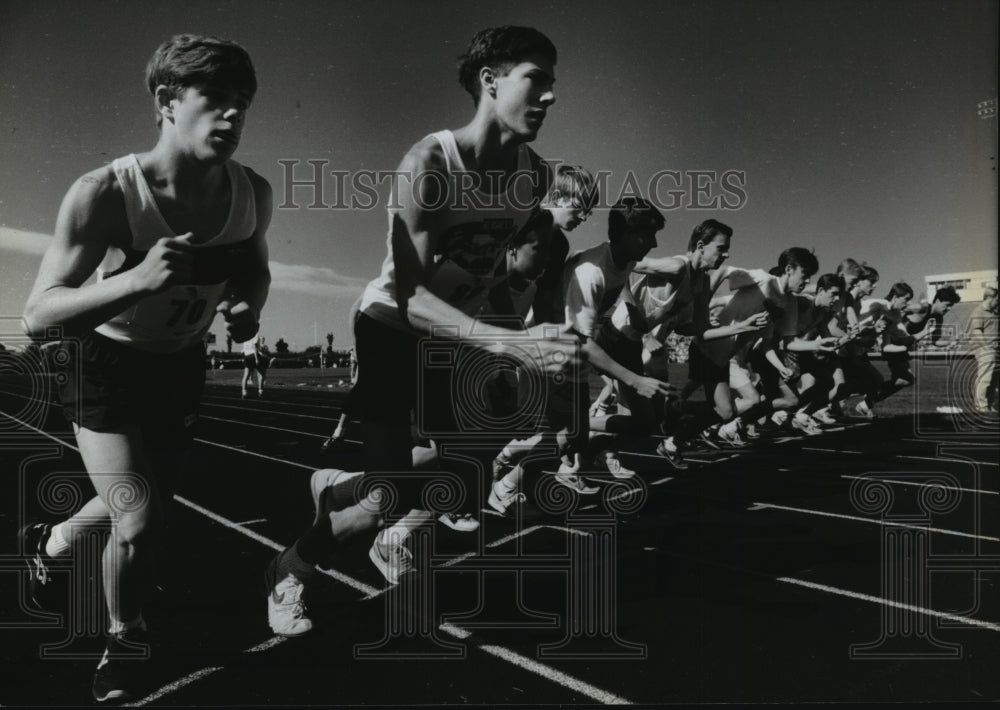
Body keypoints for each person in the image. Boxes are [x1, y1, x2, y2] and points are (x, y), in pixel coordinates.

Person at [265, 26, 580, 637]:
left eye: (552, 83)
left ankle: (342, 485)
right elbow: (411, 294)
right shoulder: (431, 163)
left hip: (454, 334)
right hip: (391, 325)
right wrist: (506, 344)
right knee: (390, 499)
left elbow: (484, 271)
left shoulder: (534, 178)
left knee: (468, 468)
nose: (550, 97)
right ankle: (292, 568)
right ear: (491, 81)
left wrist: (513, 342)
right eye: (535, 79)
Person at [17, 35, 270, 702]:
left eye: (241, 104)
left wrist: (248, 309)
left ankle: (55, 540)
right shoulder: (104, 192)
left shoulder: (251, 193)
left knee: (149, 500)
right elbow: (38, 313)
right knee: (138, 519)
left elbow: (255, 269)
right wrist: (135, 282)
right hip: (100, 358)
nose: (232, 118)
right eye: (215, 101)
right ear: (165, 102)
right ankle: (124, 642)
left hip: (177, 364)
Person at [967, 285, 998, 413]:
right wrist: (986, 348)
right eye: (997, 299)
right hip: (985, 350)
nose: (998, 302)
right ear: (990, 297)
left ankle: (989, 405)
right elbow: (976, 332)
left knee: (993, 379)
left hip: (994, 349)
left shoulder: (992, 312)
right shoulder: (978, 312)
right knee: (985, 378)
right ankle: (981, 406)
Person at [241, 332, 266, 398]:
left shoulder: (245, 337)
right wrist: (256, 358)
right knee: (261, 374)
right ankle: (261, 391)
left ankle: (244, 392)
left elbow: (244, 349)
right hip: (253, 356)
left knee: (246, 376)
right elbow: (255, 347)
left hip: (247, 356)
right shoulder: (255, 335)